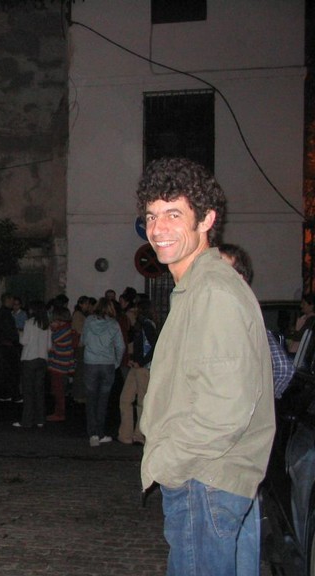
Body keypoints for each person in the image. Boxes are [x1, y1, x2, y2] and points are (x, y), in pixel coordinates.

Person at [137, 157, 275, 576]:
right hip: (206, 477)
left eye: (173, 214)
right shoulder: (196, 288)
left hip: (203, 479)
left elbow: (223, 409)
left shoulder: (213, 290)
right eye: (151, 216)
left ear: (207, 219)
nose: (158, 228)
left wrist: (169, 464)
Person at [219, 243, 295, 399]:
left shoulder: (242, 315)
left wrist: (264, 401)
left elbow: (284, 368)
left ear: (240, 279)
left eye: (222, 271)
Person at [82, 297, 124, 447]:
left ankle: (92, 434)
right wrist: (116, 362)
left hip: (91, 363)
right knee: (103, 399)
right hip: (107, 364)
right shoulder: (114, 324)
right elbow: (120, 346)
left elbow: (84, 340)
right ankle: (100, 432)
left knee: (91, 399)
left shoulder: (88, 321)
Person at [117, 297, 157, 444]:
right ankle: (128, 434)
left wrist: (140, 361)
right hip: (138, 366)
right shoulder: (143, 325)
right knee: (126, 399)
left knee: (140, 402)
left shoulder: (146, 325)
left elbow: (152, 347)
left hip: (142, 368)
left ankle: (138, 435)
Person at [13, 300, 52, 429]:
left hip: (30, 359)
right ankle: (40, 419)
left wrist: (20, 334)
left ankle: (27, 420)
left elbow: (24, 341)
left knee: (28, 391)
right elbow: (49, 346)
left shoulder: (29, 323)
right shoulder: (46, 324)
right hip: (42, 359)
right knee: (39, 390)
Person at [46, 307, 75, 422]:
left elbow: (52, 341)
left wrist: (52, 329)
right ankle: (58, 412)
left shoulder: (63, 331)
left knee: (58, 391)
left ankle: (59, 414)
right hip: (61, 364)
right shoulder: (66, 329)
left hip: (59, 365)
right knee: (58, 390)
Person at [0, 292, 21, 403]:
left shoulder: (1, 313)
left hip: (3, 345)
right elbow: (10, 332)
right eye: (12, 300)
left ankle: (5, 394)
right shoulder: (6, 315)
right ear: (8, 300)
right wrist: (16, 340)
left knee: (5, 371)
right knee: (13, 371)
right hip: (8, 346)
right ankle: (14, 394)